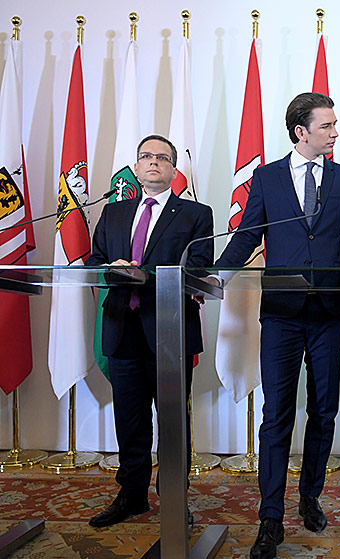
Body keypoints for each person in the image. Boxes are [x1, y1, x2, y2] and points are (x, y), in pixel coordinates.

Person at [215, 92, 340, 559]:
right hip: (282, 314)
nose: (335, 132)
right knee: (277, 414)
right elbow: (248, 234)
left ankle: (310, 496)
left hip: (329, 311)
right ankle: (270, 516)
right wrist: (217, 275)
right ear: (301, 132)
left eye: (335, 124)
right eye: (327, 125)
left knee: (324, 410)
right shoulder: (267, 177)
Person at [86, 134, 214, 527]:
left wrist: (148, 275)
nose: (154, 162)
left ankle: (175, 496)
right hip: (122, 328)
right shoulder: (114, 212)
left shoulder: (195, 213)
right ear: (137, 167)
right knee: (130, 417)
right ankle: (132, 494)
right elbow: (95, 260)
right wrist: (114, 267)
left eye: (162, 157)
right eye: (147, 156)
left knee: (174, 420)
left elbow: (199, 268)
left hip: (170, 331)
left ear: (174, 170)